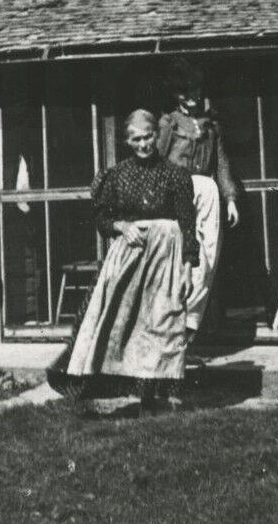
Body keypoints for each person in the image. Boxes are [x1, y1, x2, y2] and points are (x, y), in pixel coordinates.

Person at [49, 109, 199, 412]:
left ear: (157, 136)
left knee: (162, 324)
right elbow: (103, 219)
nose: (143, 144)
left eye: (147, 137)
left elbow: (187, 224)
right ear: (128, 141)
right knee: (122, 325)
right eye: (136, 139)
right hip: (129, 257)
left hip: (165, 259)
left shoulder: (176, 176)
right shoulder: (117, 176)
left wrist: (187, 267)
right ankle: (121, 390)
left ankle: (155, 395)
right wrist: (122, 227)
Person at [155, 60, 239, 341]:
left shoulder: (211, 125)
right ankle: (171, 320)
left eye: (195, 91)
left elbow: (222, 163)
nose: (191, 98)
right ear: (176, 95)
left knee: (208, 254)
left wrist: (230, 198)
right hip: (176, 188)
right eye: (184, 92)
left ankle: (191, 319)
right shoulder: (168, 123)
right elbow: (155, 161)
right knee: (178, 253)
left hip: (207, 189)